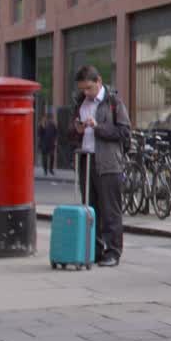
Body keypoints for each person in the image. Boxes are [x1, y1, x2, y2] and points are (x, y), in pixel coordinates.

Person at [70, 65, 131, 267]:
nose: (86, 93)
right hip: (86, 160)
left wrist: (98, 127)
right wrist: (76, 129)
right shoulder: (80, 102)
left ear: (99, 81)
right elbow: (69, 135)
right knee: (90, 208)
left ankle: (113, 251)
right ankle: (94, 250)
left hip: (109, 162)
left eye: (89, 88)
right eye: (82, 89)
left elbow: (123, 133)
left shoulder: (113, 102)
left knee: (110, 210)